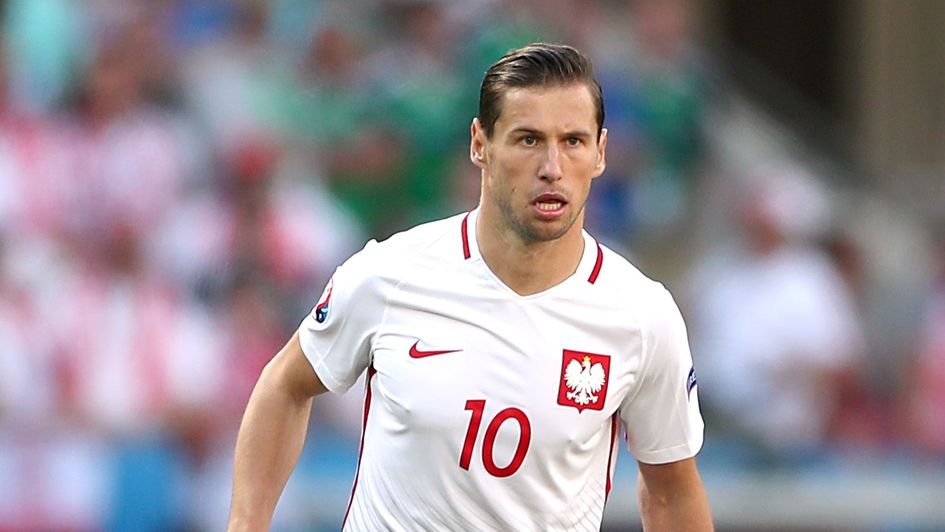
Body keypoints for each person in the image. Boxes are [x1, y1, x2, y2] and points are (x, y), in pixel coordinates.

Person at [228, 43, 712, 531]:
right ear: (480, 143)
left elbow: (671, 490)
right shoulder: (390, 274)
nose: (552, 166)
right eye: (528, 139)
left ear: (600, 152)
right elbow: (285, 385)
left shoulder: (641, 315)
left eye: (573, 141)